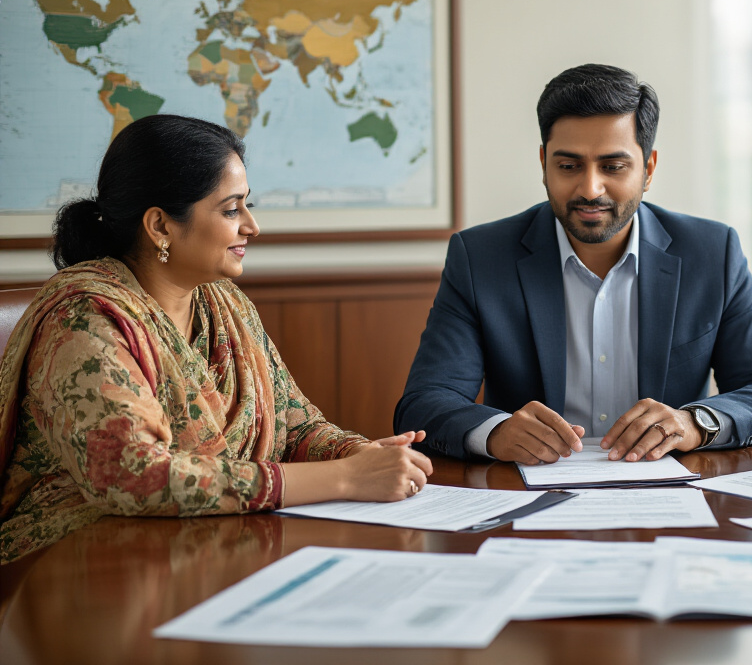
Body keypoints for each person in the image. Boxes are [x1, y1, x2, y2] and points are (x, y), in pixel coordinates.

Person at [0, 115, 433, 564]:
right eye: (231, 209)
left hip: (216, 543)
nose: (253, 226)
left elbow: (295, 425)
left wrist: (362, 454)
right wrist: (345, 478)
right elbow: (135, 478)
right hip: (81, 567)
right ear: (160, 226)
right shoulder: (87, 317)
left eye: (247, 205)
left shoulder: (224, 305)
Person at [395, 64, 752, 465]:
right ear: (544, 165)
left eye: (613, 166)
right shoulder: (480, 257)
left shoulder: (712, 252)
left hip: (673, 500)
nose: (590, 189)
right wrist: (495, 431)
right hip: (530, 501)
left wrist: (694, 423)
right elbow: (425, 402)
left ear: (648, 169)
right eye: (569, 166)